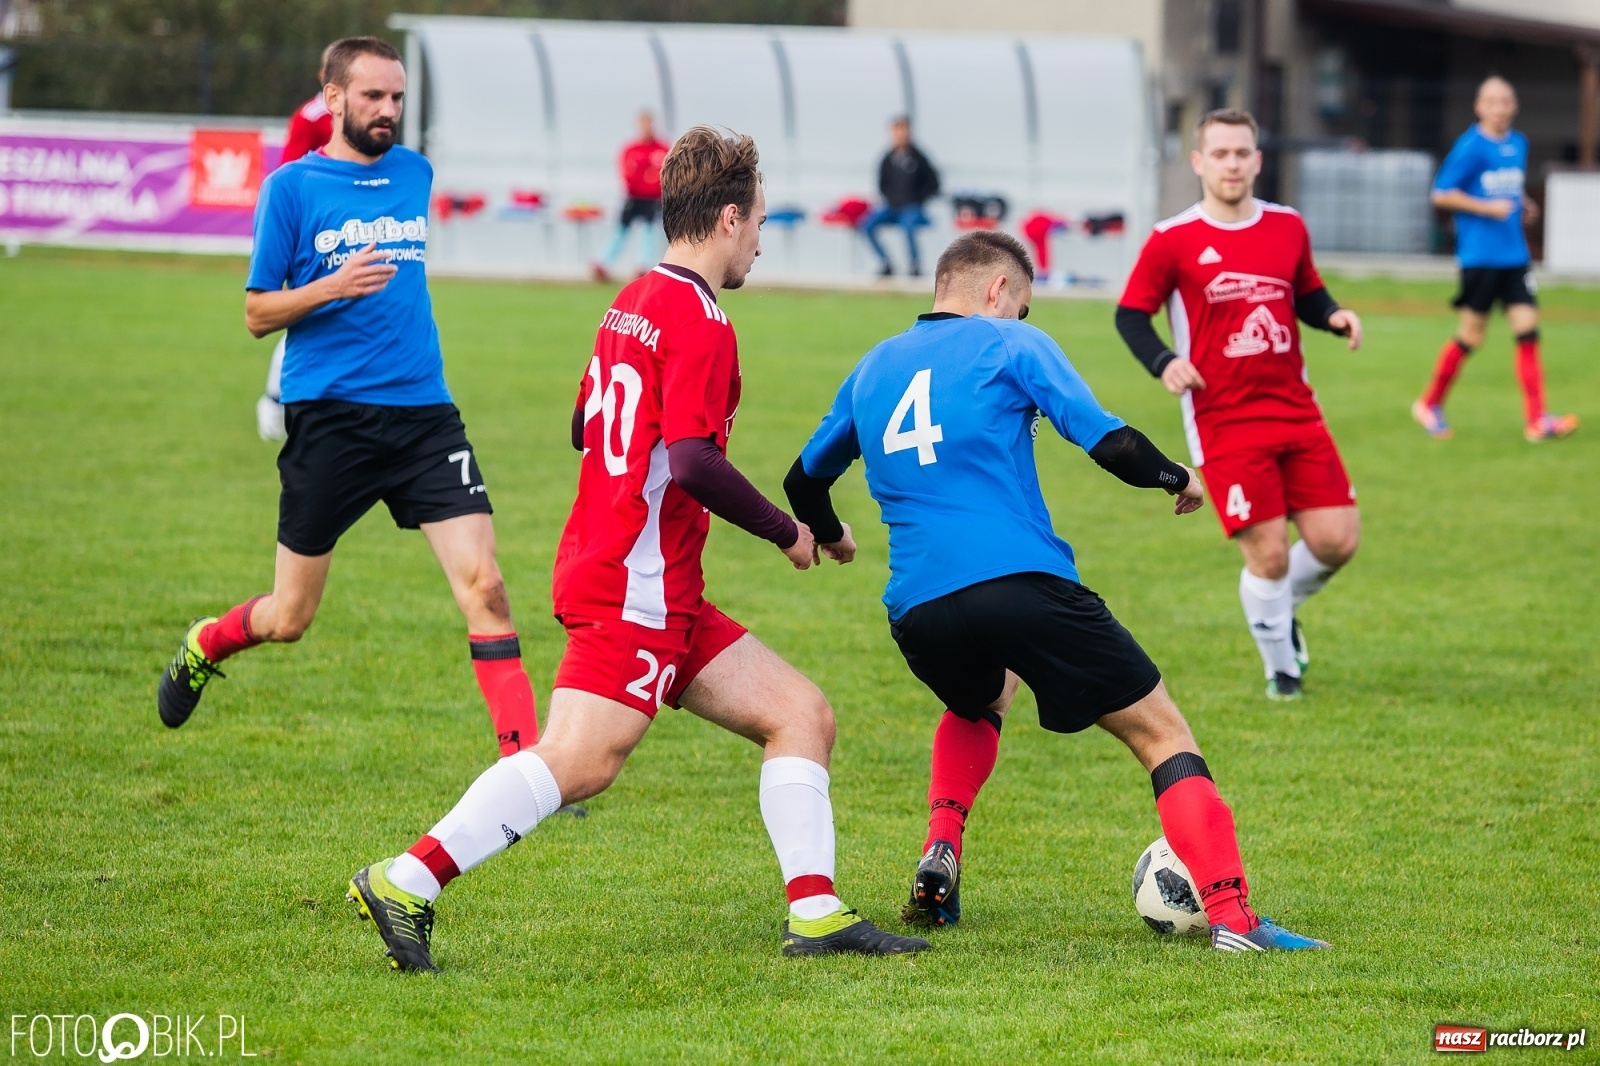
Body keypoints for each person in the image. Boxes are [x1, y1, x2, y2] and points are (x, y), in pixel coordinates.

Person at [347, 126, 931, 972]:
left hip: (649, 574)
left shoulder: (631, 297)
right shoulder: (700, 318)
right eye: (761, 221)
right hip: (636, 581)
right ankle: (408, 880)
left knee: (800, 715)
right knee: (582, 759)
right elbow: (693, 458)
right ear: (729, 217)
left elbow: (585, 424)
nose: (764, 240)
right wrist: (788, 532)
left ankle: (815, 911)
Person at [783, 230, 1328, 952]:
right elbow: (1104, 439)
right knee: (1164, 734)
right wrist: (1177, 476)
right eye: (1025, 307)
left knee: (983, 697)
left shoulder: (874, 366)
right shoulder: (1011, 344)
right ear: (999, 291)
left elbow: (802, 479)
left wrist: (831, 532)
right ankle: (1234, 918)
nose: (1024, 320)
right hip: (1021, 583)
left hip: (918, 609)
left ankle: (941, 846)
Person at [156, 36, 540, 765]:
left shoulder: (415, 173)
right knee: (290, 616)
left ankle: (524, 766)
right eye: (373, 96)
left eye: (397, 97)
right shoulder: (292, 190)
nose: (388, 110)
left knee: (486, 586)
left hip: (426, 414)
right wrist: (332, 285)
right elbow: (256, 314)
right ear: (332, 98)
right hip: (331, 418)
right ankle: (207, 642)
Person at [1115, 108, 1363, 702]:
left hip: (1296, 408)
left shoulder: (1287, 226)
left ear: (1258, 159)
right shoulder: (1172, 239)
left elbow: (1305, 290)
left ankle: (1276, 610)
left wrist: (1332, 316)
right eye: (1220, 153)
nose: (1232, 163)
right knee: (1269, 553)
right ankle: (1283, 673)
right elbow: (1130, 314)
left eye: (1242, 153)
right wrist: (1164, 361)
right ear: (1200, 162)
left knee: (1337, 541)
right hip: (1222, 418)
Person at [1413, 75, 1579, 443]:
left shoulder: (1518, 143)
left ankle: (1536, 420)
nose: (1500, 108)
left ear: (1514, 106)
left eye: (1506, 101)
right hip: (1480, 258)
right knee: (1471, 336)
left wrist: (1525, 205)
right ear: (1479, 107)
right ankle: (1429, 403)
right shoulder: (1470, 146)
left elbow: (1509, 187)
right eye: (1493, 101)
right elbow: (1441, 194)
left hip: (1514, 256)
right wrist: (1487, 208)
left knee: (1529, 332)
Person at [257, 46, 337, 443]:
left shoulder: (352, 115)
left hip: (336, 227)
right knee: (304, 314)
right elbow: (289, 171)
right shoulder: (313, 117)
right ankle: (274, 402)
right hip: (310, 229)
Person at [591, 111, 670, 283]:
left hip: (653, 200)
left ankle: (642, 266)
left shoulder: (661, 149)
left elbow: (663, 175)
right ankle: (602, 264)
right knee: (621, 230)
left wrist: (650, 183)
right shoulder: (631, 149)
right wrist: (645, 180)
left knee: (649, 232)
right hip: (633, 197)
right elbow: (628, 176)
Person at [862, 117, 940, 278]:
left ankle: (914, 265)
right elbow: (882, 183)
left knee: (908, 226)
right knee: (867, 225)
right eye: (896, 132)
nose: (900, 135)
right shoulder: (888, 158)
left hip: (912, 206)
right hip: (891, 207)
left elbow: (934, 184)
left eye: (903, 131)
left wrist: (918, 199)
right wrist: (890, 198)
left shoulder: (919, 158)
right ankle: (885, 262)